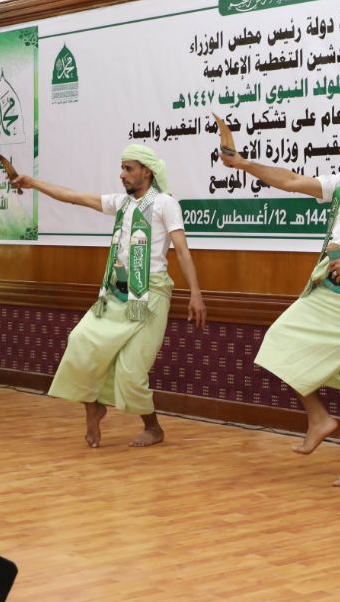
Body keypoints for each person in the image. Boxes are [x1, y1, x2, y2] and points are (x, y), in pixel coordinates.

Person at [221, 111, 340, 487]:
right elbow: (292, 181)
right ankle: (318, 417)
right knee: (279, 339)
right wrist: (244, 164)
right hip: (328, 289)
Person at [12, 145, 207, 448]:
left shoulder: (165, 204)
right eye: (122, 168)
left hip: (151, 296)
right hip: (116, 293)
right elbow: (74, 197)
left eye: (129, 169)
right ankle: (93, 407)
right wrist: (34, 183)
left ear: (147, 171)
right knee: (81, 341)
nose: (122, 175)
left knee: (131, 372)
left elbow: (181, 250)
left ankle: (153, 428)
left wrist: (195, 293)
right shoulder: (121, 204)